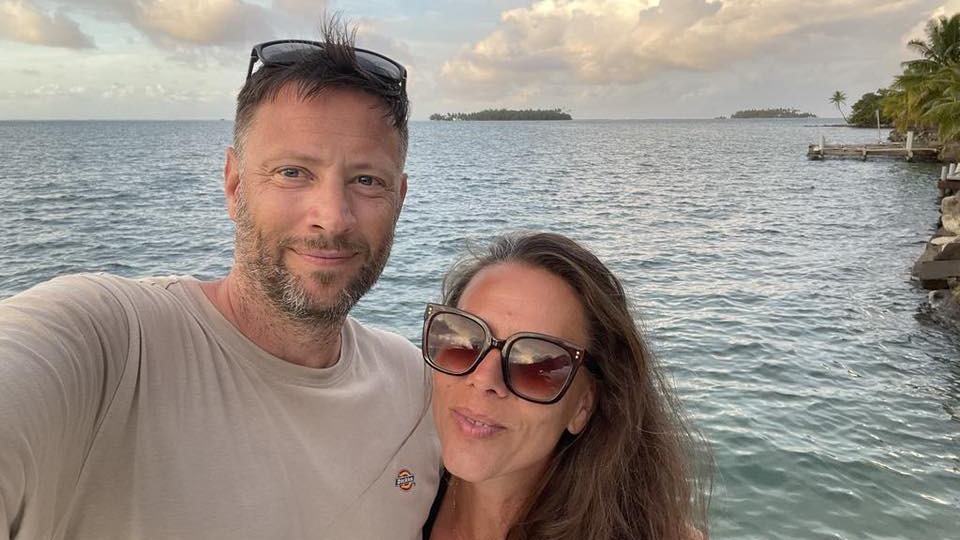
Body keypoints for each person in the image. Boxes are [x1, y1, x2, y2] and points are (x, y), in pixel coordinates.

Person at [0, 20, 439, 540]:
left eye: (366, 180)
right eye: (293, 172)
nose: (333, 217)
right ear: (234, 185)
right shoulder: (114, 346)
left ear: (399, 199)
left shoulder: (416, 386)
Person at [421, 232, 710, 540]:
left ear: (582, 406)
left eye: (536, 365)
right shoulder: (400, 485)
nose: (483, 379)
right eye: (463, 341)